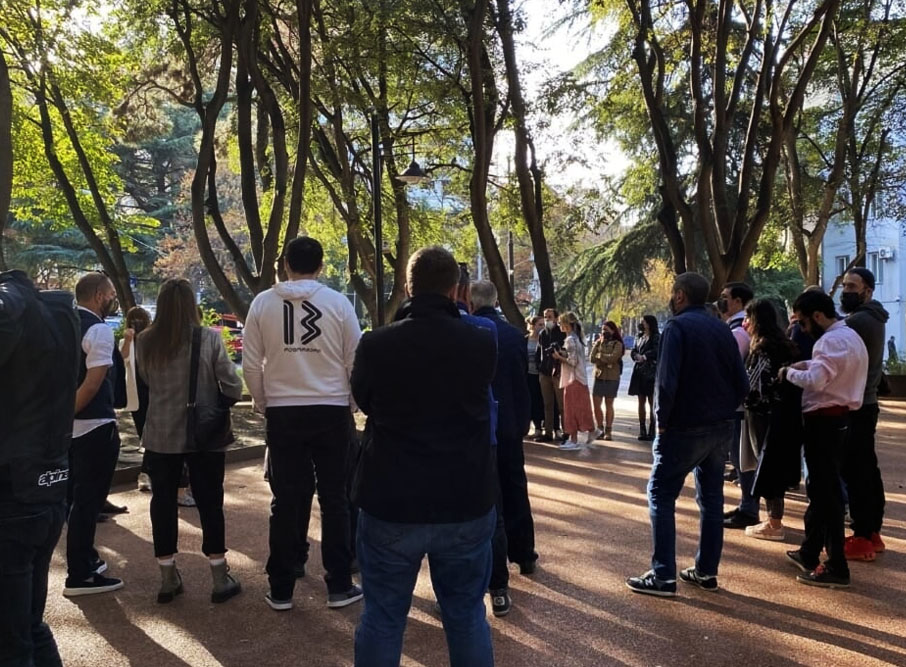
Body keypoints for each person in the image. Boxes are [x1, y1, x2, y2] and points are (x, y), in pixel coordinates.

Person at [351, 246, 497, 667]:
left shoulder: (376, 344)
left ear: (407, 287)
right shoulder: (481, 342)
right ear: (456, 290)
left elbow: (365, 400)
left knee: (382, 617)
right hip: (464, 496)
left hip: (391, 497)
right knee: (466, 615)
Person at [243, 236, 362, 611]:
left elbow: (251, 363)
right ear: (321, 266)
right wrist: (351, 402)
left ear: (285, 265)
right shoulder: (338, 303)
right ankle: (339, 584)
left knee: (286, 500)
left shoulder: (263, 303)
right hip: (331, 407)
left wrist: (264, 402)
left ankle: (281, 587)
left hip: (284, 409)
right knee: (335, 499)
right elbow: (355, 359)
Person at [626, 272, 747, 597]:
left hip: (683, 427)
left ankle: (663, 575)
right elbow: (742, 381)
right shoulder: (722, 328)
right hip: (720, 426)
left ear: (680, 295)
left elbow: (667, 380)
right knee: (712, 499)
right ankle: (706, 570)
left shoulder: (676, 327)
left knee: (661, 495)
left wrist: (662, 421)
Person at [136, 278, 243, 604]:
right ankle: (219, 576)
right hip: (204, 434)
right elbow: (233, 385)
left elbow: (145, 380)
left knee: (162, 503)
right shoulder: (208, 339)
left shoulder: (144, 341)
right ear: (191, 305)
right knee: (210, 502)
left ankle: (168, 576)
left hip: (160, 433)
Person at [0, 271, 79, 667]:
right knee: (29, 626)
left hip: (15, 492)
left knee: (12, 641)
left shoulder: (14, 306)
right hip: (48, 484)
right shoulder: (56, 314)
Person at [780, 289, 867, 588]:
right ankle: (810, 550)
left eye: (804, 323)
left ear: (817, 316)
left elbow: (817, 380)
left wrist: (788, 374)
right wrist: (804, 365)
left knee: (826, 494)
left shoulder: (829, 341)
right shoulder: (850, 336)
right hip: (839, 419)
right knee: (822, 490)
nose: (803, 330)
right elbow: (830, 371)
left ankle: (836, 566)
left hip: (824, 421)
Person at [62, 272, 126, 597]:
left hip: (69, 430)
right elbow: (92, 383)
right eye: (111, 293)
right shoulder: (99, 330)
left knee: (75, 499)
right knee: (88, 502)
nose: (114, 299)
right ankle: (80, 574)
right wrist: (69, 414)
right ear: (100, 296)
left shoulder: (64, 325)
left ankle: (85, 558)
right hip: (94, 426)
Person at [453, 267, 511, 616]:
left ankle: (455, 591)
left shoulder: (406, 330)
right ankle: (498, 587)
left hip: (445, 436)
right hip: (480, 434)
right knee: (492, 512)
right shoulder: (483, 329)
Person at [471, 281, 537, 578]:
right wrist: (524, 420)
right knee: (515, 487)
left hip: (481, 424)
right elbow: (521, 384)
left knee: (484, 493)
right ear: (496, 301)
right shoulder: (513, 335)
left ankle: (490, 559)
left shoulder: (469, 332)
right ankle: (524, 553)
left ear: (472, 302)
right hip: (509, 421)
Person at [739, 299, 802, 541]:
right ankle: (774, 519)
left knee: (766, 467)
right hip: (785, 413)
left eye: (748, 318)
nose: (745, 323)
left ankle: (774, 523)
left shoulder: (761, 348)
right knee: (776, 466)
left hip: (762, 415)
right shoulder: (787, 345)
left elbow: (752, 384)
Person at [839, 268, 888, 562]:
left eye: (851, 286)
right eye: (845, 285)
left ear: (867, 290)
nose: (845, 291)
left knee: (856, 471)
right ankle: (871, 533)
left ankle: (862, 537)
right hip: (866, 404)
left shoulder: (858, 321)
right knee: (867, 468)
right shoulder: (875, 317)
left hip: (856, 405)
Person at [719, 282, 760, 530]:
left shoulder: (738, 331)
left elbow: (726, 365)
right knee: (739, 457)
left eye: (725, 297)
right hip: (738, 404)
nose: (721, 300)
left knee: (742, 458)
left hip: (740, 405)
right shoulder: (736, 328)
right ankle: (746, 504)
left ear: (737, 301)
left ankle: (749, 508)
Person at [553, 312, 595, 450]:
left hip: (573, 379)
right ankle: (591, 430)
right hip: (579, 378)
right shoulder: (577, 338)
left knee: (570, 409)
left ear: (567, 324)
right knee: (581, 407)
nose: (559, 325)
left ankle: (574, 439)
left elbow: (572, 361)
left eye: (561, 323)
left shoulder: (570, 340)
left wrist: (558, 357)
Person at [590, 320, 624, 441]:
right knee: (596, 404)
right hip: (598, 376)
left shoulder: (618, 344)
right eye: (602, 330)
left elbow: (613, 358)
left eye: (606, 330)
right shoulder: (598, 342)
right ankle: (599, 429)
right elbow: (592, 358)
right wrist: (602, 353)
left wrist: (600, 356)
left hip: (612, 377)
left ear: (613, 331)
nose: (604, 332)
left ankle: (608, 430)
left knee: (609, 404)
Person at [628, 315, 659, 441]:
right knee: (641, 401)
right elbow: (634, 350)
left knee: (652, 401)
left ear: (649, 323)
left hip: (650, 372)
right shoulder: (639, 336)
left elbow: (657, 350)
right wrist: (635, 355)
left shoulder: (656, 337)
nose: (641, 324)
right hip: (639, 371)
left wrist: (645, 357)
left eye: (643, 322)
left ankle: (652, 429)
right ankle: (642, 429)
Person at [537, 308, 565, 442]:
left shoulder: (562, 333)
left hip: (558, 373)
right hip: (545, 372)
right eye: (545, 317)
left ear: (556, 318)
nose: (547, 319)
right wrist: (540, 366)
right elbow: (539, 351)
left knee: (561, 405)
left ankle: (566, 432)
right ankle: (548, 432)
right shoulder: (542, 333)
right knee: (547, 404)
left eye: (550, 317)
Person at [526, 316, 545, 441]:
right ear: (532, 326)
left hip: (540, 375)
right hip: (528, 375)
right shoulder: (525, 340)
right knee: (528, 401)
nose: (542, 327)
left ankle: (539, 428)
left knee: (539, 401)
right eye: (540, 324)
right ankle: (526, 427)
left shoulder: (544, 339)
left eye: (543, 324)